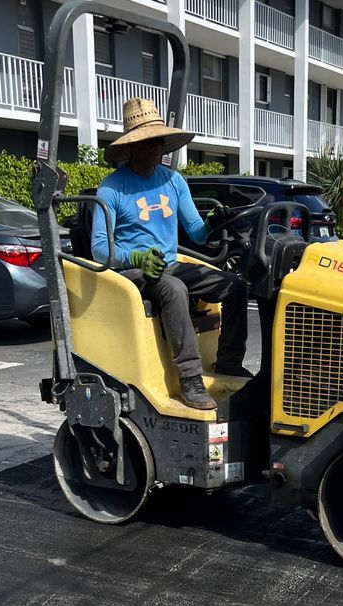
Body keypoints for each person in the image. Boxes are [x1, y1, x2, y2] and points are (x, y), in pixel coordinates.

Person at [91, 98, 249, 411]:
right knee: (173, 288)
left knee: (236, 286)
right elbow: (99, 248)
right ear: (133, 146)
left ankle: (228, 363)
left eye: (160, 140)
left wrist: (214, 223)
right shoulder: (111, 188)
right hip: (134, 273)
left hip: (170, 265)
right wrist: (136, 259)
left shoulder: (173, 181)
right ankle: (190, 379)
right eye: (150, 142)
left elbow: (196, 232)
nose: (158, 148)